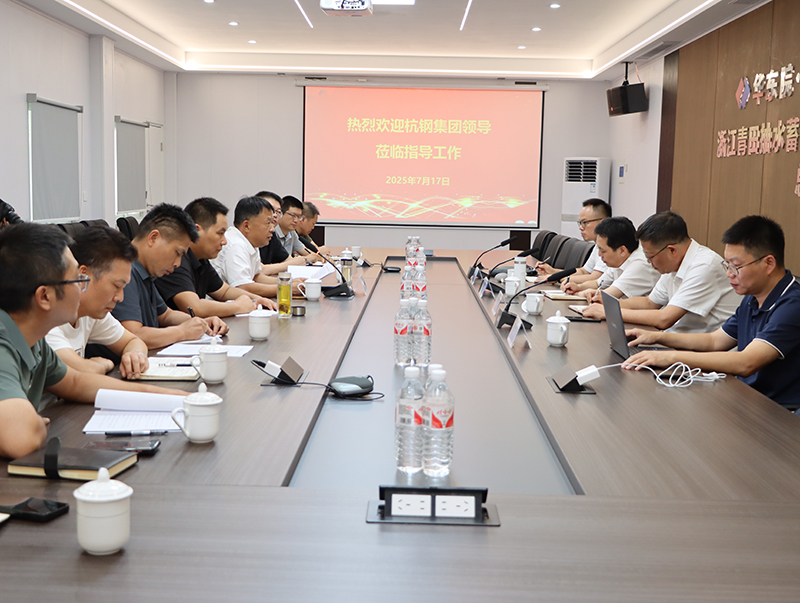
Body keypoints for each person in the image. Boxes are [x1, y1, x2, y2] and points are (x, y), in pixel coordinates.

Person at [0, 223, 183, 459]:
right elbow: (20, 438)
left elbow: (76, 383)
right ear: (44, 296)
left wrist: (173, 398)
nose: (82, 287)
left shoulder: (35, 342)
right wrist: (32, 423)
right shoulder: (3, 343)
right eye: (76, 280)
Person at [623, 216, 800, 409]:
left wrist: (669, 357)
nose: (729, 274)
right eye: (727, 265)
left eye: (736, 266)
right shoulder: (752, 297)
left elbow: (746, 362)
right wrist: (657, 337)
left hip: (776, 410)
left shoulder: (792, 305)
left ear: (768, 263)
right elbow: (715, 341)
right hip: (744, 396)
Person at [582, 211, 738, 332]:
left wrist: (609, 312)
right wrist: (610, 304)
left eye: (650, 256)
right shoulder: (674, 264)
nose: (648, 262)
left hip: (705, 353)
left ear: (671, 250)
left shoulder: (704, 266)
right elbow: (649, 303)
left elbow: (664, 319)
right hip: (677, 340)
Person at [111, 204, 228, 349]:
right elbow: (133, 335)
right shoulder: (124, 271)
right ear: (153, 238)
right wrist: (182, 332)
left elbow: (166, 315)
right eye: (177, 253)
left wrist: (202, 322)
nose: (178, 263)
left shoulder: (144, 271)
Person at [45, 227, 149, 378]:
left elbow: (133, 341)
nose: (120, 297)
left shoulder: (91, 313)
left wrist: (135, 355)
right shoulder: (47, 315)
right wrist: (104, 364)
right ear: (82, 275)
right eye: (116, 286)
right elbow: (81, 371)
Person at [155, 197, 278, 317]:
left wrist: (257, 299)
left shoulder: (201, 259)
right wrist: (237, 306)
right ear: (196, 231)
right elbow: (194, 307)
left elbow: (224, 291)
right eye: (220, 233)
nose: (224, 241)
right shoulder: (176, 261)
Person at [211, 196, 291, 298]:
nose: (272, 229)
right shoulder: (236, 245)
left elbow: (256, 277)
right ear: (246, 226)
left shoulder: (250, 242)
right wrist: (285, 288)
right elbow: (242, 287)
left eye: (272, 223)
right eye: (268, 223)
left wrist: (287, 282)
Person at [572, 217, 659, 301]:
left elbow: (606, 295)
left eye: (603, 250)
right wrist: (578, 287)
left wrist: (579, 293)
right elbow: (597, 283)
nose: (599, 254)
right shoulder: (620, 260)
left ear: (622, 250)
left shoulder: (640, 263)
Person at [536, 198, 611, 289]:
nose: (580, 227)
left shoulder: (610, 245)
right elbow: (584, 271)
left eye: (585, 222)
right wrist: (553, 271)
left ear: (602, 222)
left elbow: (595, 277)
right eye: (580, 223)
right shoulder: (597, 245)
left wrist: (557, 278)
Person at [274, 196, 320, 263]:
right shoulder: (272, 232)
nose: (296, 220)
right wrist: (306, 259)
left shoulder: (292, 232)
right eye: (293, 215)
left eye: (298, 217)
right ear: (281, 213)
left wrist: (321, 258)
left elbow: (305, 252)